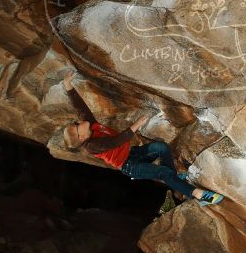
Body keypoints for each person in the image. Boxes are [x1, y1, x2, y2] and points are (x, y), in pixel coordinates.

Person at [61, 70, 224, 206]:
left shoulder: (89, 125)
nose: (78, 121)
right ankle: (199, 195)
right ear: (81, 136)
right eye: (76, 124)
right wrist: (136, 125)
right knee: (163, 172)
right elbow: (115, 142)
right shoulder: (91, 146)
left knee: (162, 148)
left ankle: (176, 183)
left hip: (132, 153)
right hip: (129, 166)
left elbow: (80, 107)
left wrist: (68, 85)